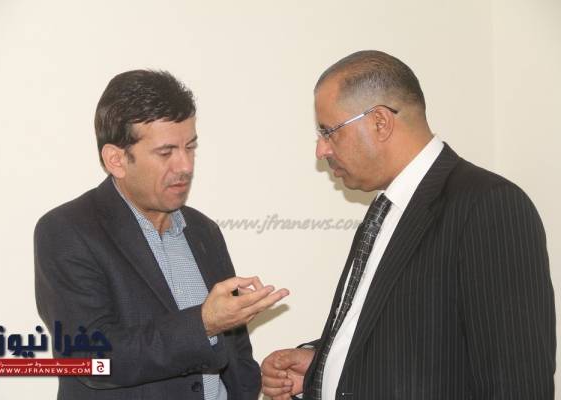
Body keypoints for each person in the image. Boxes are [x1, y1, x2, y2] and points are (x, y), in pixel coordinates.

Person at [261, 50, 555, 399]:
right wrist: (321, 364)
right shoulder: (386, 209)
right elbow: (409, 335)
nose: (321, 150)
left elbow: (517, 379)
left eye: (329, 131)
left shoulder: (488, 206)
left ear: (380, 122)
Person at [35, 69, 289, 400]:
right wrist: (203, 324)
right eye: (166, 152)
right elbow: (90, 360)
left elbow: (235, 350)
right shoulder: (67, 231)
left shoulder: (204, 231)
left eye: (190, 147)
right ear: (116, 160)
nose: (185, 166)